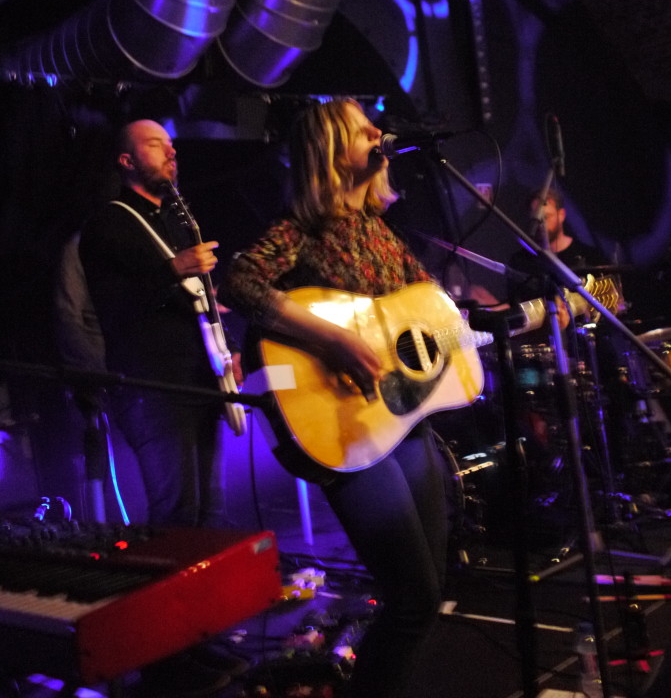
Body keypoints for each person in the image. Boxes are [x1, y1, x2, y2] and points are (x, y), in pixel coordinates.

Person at [219, 97, 448, 698]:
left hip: (405, 419)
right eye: (361, 128)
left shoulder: (381, 234)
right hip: (345, 427)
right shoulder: (301, 231)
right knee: (412, 600)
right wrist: (334, 339)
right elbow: (240, 281)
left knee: (427, 596)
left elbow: (432, 315)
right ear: (328, 150)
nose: (379, 132)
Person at [79, 119, 248, 696]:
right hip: (153, 389)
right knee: (175, 519)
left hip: (198, 383)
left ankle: (199, 638)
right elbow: (116, 308)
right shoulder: (108, 222)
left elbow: (193, 306)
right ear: (126, 161)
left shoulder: (177, 218)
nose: (171, 150)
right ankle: (164, 658)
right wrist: (173, 270)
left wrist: (226, 348)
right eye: (156, 143)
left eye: (172, 143)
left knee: (207, 518)